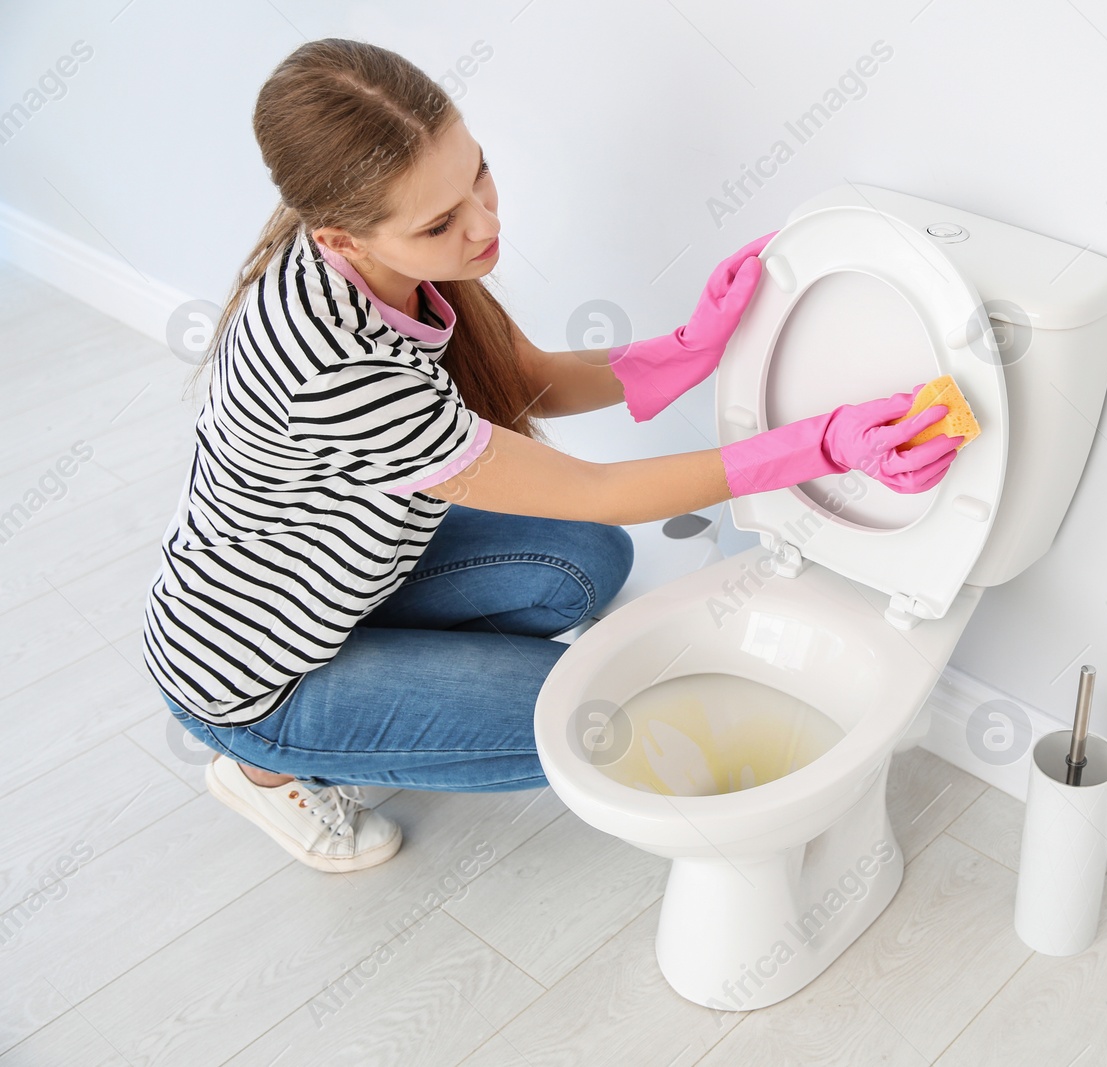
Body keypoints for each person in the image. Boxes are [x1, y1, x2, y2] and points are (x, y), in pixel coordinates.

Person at [142, 38, 961, 874]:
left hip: (341, 577)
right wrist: (818, 444)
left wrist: (690, 346)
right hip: (255, 672)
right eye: (441, 222)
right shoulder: (336, 369)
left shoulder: (384, 254)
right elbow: (600, 487)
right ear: (344, 238)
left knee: (584, 563)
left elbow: (523, 377)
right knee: (590, 722)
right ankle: (266, 765)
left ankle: (391, 686)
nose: (485, 224)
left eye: (479, 175)